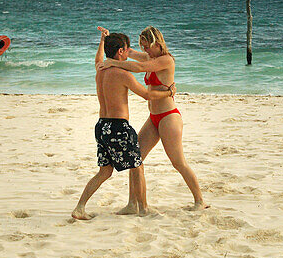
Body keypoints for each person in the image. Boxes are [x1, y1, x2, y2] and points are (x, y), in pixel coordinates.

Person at [96, 26, 206, 209]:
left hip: (168, 117)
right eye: (142, 46)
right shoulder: (150, 56)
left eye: (146, 46)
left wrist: (113, 63)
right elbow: (126, 52)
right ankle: (132, 204)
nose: (144, 50)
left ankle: (200, 200)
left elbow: (139, 68)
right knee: (134, 160)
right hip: (153, 118)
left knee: (178, 162)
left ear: (156, 43)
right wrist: (108, 40)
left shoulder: (165, 60)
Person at [71, 30, 175, 220]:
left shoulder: (100, 70)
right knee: (137, 165)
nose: (129, 53)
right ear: (120, 52)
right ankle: (142, 207)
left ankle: (80, 207)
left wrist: (101, 41)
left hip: (101, 126)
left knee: (105, 171)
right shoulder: (122, 74)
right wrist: (168, 93)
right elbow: (147, 95)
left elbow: (98, 59)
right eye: (127, 50)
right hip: (119, 127)